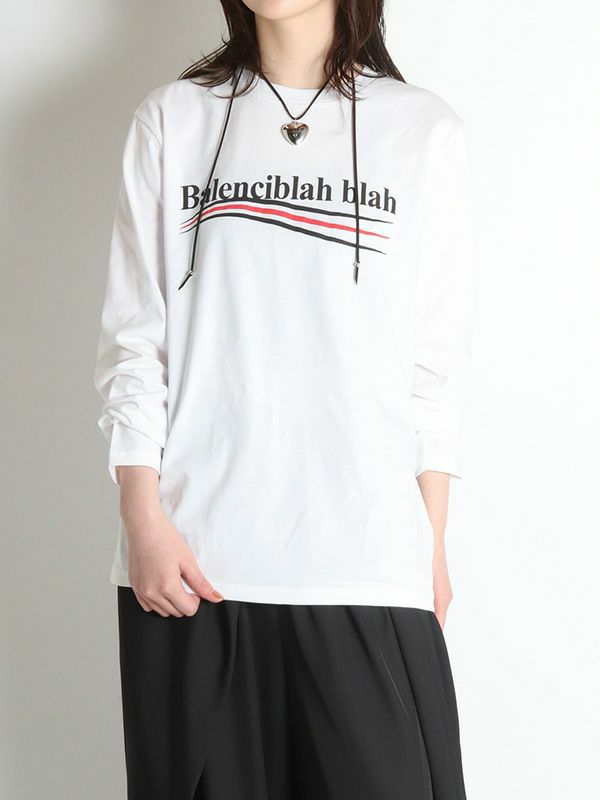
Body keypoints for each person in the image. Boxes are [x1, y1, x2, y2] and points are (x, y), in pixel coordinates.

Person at [93, 1, 475, 797]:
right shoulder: (174, 119)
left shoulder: (422, 130)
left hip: (364, 563)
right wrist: (142, 519)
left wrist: (429, 545)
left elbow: (432, 370)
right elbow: (135, 340)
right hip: (196, 569)